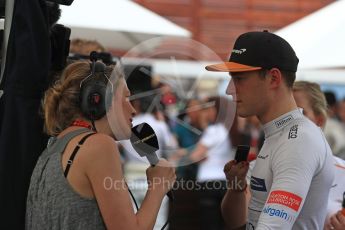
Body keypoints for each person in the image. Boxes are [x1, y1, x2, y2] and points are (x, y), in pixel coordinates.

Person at [205, 31, 334, 229]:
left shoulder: (298, 140)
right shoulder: (279, 134)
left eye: (239, 79)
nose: (229, 89)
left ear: (273, 78)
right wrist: (237, 188)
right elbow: (238, 222)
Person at [25, 60, 176, 230]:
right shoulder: (99, 145)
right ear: (98, 99)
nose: (132, 109)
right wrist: (158, 186)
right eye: (126, 98)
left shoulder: (56, 144)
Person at [292, 81, 345, 230]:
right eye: (282, 113)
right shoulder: (259, 167)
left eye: (299, 112)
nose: (288, 121)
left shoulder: (342, 172)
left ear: (319, 120)